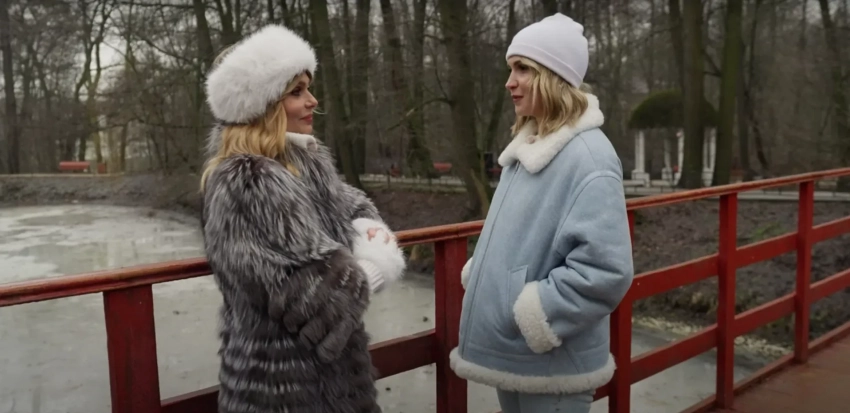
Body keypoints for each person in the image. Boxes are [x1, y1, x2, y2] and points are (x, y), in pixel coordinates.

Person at [199, 24, 406, 413]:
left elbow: (353, 206)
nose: (312, 101)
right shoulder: (248, 181)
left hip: (332, 380)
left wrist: (368, 231)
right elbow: (309, 297)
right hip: (282, 390)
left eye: (308, 88)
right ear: (263, 105)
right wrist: (375, 267)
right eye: (297, 92)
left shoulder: (301, 162)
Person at [449, 13, 634, 413]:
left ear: (553, 75)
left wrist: (534, 313)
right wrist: (488, 275)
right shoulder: (529, 146)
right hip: (520, 357)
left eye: (522, 68)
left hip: (552, 364)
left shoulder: (589, 157)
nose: (509, 82)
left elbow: (606, 270)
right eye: (510, 68)